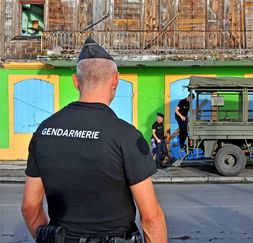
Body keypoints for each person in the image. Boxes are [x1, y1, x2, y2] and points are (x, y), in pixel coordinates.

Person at [21, 37, 167, 243]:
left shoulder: (44, 131)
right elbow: (151, 218)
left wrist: (48, 238)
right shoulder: (126, 136)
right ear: (115, 80)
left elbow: (29, 207)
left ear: (75, 81)